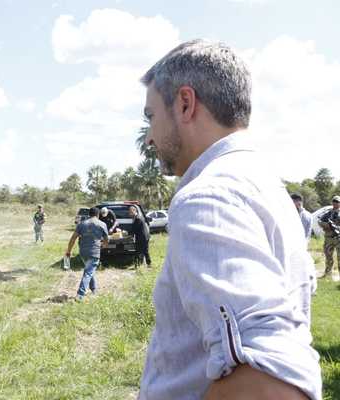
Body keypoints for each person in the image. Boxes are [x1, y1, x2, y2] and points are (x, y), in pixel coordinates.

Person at [138, 40, 321, 400]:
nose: (149, 138)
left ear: (185, 104)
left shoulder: (208, 196)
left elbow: (272, 385)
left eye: (151, 116)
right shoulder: (264, 185)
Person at [65, 207, 108, 301]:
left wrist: (68, 250)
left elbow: (73, 238)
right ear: (98, 215)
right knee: (88, 272)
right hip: (94, 252)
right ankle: (80, 294)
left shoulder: (82, 224)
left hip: (83, 252)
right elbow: (106, 239)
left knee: (89, 270)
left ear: (89, 214)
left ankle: (94, 289)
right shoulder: (102, 224)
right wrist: (104, 246)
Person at [318, 195, 340, 279]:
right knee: (328, 256)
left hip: (338, 238)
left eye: (337, 202)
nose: (335, 203)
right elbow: (319, 221)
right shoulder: (328, 213)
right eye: (334, 201)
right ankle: (327, 274)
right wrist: (326, 225)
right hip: (328, 238)